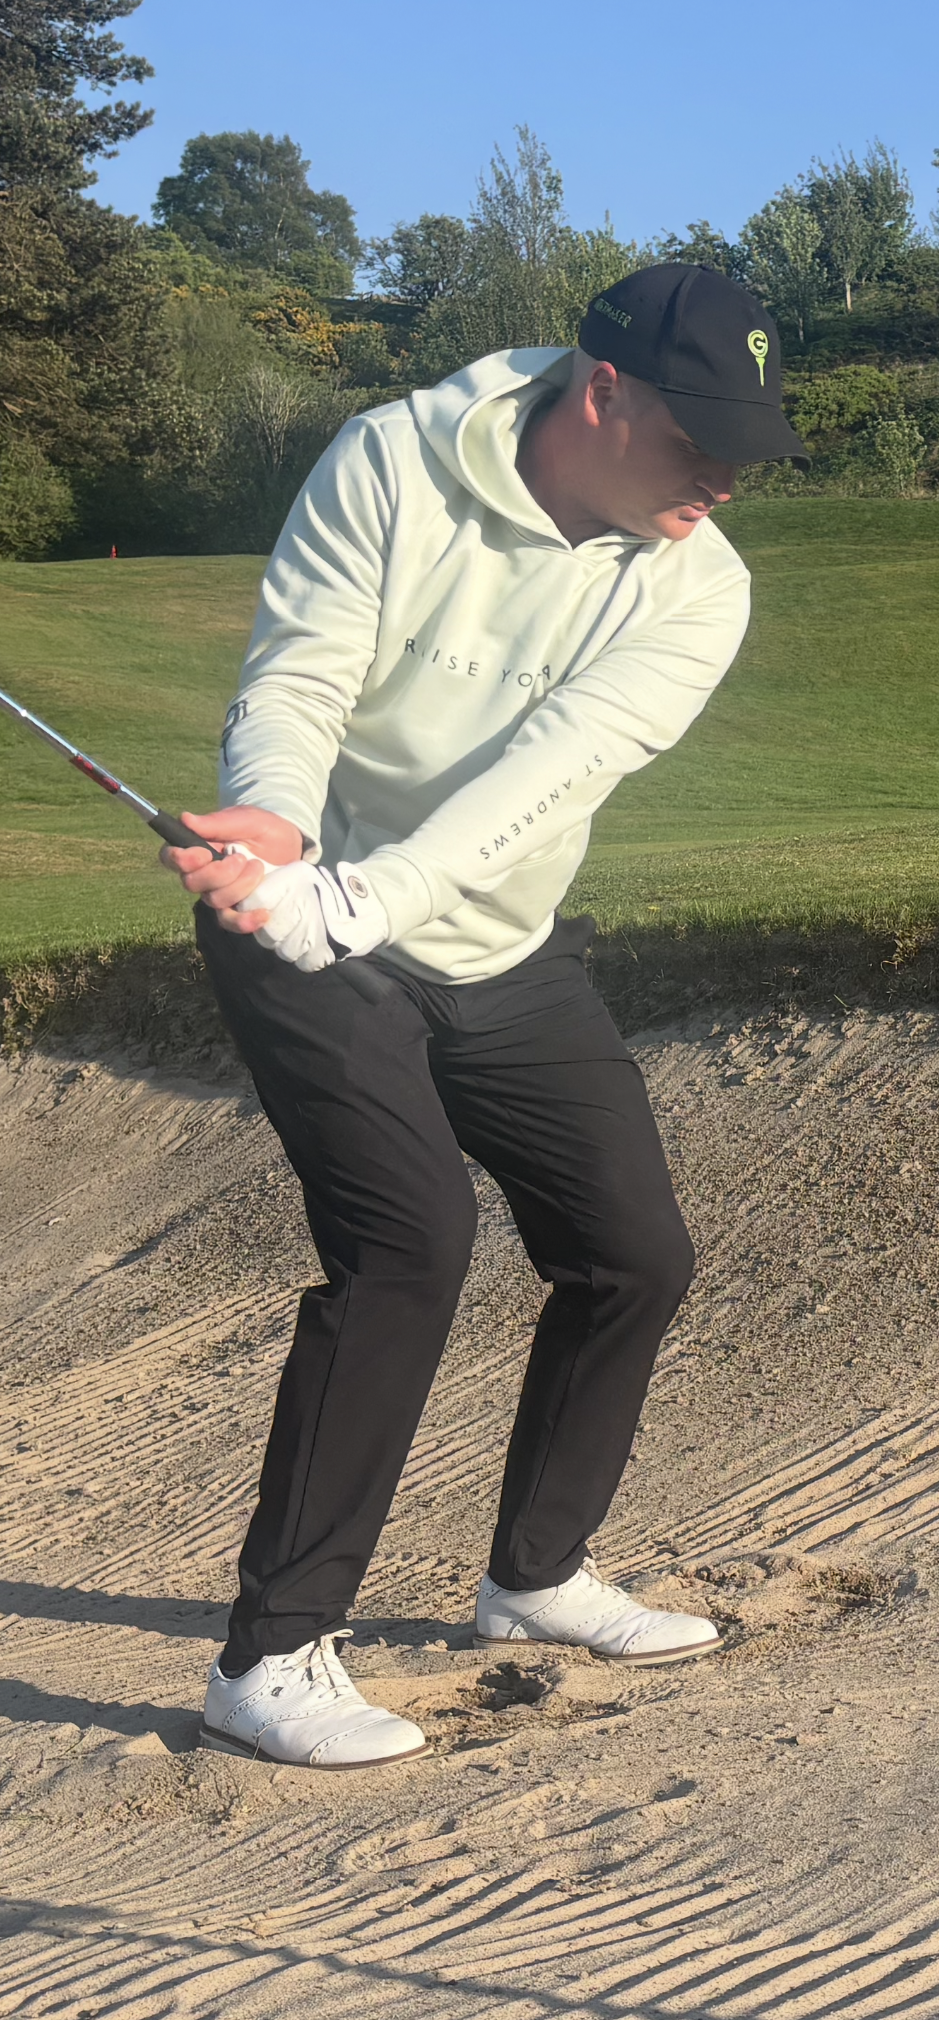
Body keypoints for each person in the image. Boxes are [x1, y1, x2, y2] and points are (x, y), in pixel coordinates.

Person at [163, 262, 808, 1768]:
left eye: (745, 449)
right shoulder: (393, 458)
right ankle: (269, 1659)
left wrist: (369, 896)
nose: (722, 479)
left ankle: (533, 1578)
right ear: (602, 393)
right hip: (302, 924)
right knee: (410, 1242)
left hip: (490, 939)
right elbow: (303, 672)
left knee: (632, 1253)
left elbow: (546, 777)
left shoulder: (697, 585)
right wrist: (275, 826)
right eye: (697, 440)